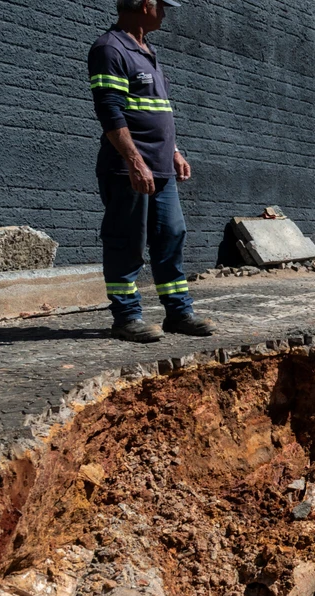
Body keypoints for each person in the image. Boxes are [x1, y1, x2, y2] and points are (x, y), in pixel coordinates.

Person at [87, 0, 214, 342]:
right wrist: (134, 161)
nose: (166, 12)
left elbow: (158, 111)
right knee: (126, 242)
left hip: (161, 168)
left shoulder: (147, 51)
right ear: (145, 5)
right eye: (163, 5)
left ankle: (179, 312)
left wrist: (174, 151)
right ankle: (127, 318)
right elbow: (110, 111)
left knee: (171, 234)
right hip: (128, 169)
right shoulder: (110, 49)